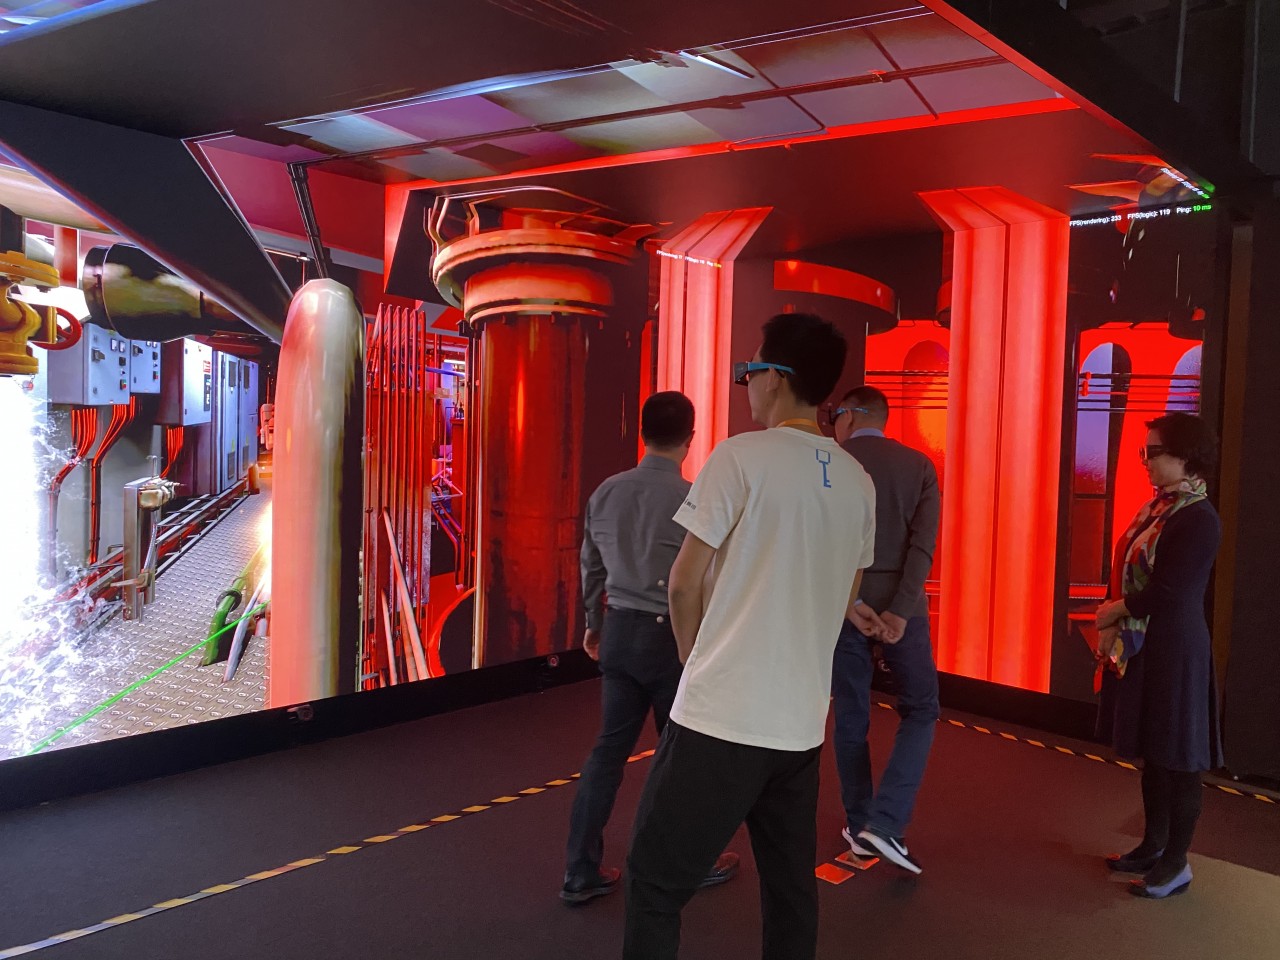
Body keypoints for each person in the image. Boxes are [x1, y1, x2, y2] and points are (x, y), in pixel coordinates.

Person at [623, 313, 877, 960]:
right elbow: (842, 600)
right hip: (799, 725)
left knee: (654, 884)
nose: (746, 385)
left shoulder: (739, 456)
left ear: (776, 378)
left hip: (721, 717)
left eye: (748, 371)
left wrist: (695, 660)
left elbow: (683, 583)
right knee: (790, 892)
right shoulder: (858, 481)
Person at [562, 391, 738, 905]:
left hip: (619, 632)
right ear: (690, 438)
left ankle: (580, 871)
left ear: (642, 433)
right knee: (681, 757)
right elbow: (708, 579)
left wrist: (594, 624)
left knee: (607, 753)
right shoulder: (693, 500)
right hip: (672, 641)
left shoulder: (606, 492)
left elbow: (591, 567)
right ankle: (688, 863)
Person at [1094, 411, 1223, 900]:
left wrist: (1114, 611)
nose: (1145, 461)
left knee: (1179, 759)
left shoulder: (1198, 518)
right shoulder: (1161, 508)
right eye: (1143, 452)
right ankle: (1153, 845)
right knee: (1155, 755)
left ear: (1186, 456)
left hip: (1176, 651)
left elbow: (1171, 592)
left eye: (1153, 452)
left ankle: (1176, 863)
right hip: (1150, 647)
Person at [829, 385, 940, 875]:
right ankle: (887, 821)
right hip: (905, 611)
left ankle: (859, 824)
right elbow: (923, 546)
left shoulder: (830, 465)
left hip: (842, 608)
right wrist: (900, 610)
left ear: (850, 417)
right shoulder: (918, 466)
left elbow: (822, 543)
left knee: (851, 715)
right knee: (921, 709)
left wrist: (852, 602)